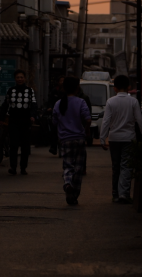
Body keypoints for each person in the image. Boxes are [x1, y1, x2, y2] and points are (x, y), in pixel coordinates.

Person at [99, 75, 142, 204]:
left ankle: (115, 194)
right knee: (126, 166)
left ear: (114, 88)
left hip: (114, 138)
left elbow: (106, 121)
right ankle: (124, 194)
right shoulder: (133, 102)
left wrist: (102, 138)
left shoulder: (110, 102)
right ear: (129, 87)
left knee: (116, 167)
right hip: (129, 138)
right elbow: (139, 120)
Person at [52, 77, 91, 205]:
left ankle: (67, 183)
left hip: (64, 139)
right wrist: (85, 130)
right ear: (77, 88)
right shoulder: (81, 102)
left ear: (63, 88)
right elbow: (88, 119)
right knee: (78, 168)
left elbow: (54, 121)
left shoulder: (58, 103)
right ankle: (74, 195)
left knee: (68, 166)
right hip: (79, 138)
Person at [0, 69, 36, 175]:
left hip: (26, 121)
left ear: (24, 78)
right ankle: (13, 167)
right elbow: (5, 105)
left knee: (25, 146)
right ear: (15, 79)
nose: (20, 79)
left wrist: (33, 115)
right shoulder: (11, 90)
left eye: (21, 77)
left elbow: (33, 104)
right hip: (13, 120)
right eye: (17, 77)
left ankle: (23, 168)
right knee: (13, 145)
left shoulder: (30, 91)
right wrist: (1, 118)